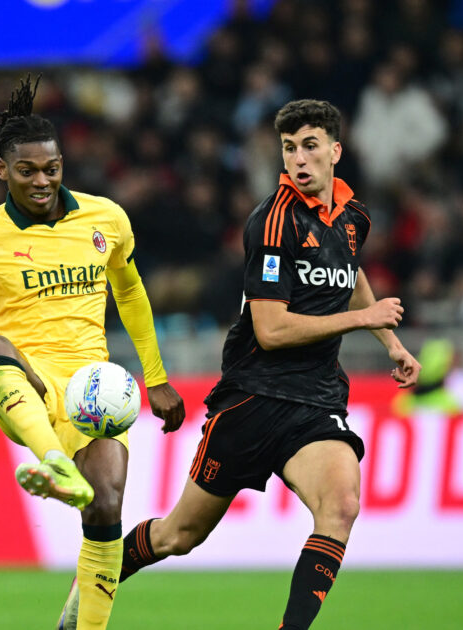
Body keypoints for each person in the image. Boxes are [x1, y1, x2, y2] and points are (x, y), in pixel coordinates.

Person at [109, 100, 422, 629]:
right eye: (288, 148)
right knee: (178, 536)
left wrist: (390, 343)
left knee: (341, 505)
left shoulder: (354, 218)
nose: (298, 158)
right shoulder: (273, 221)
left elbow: (350, 273)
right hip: (253, 397)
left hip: (316, 398)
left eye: (309, 146)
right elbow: (271, 331)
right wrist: (363, 318)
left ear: (335, 151)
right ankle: (97, 572)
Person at [0, 76, 185, 630]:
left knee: (105, 506)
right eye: (27, 170)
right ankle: (53, 463)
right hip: (24, 382)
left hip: (92, 388)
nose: (42, 180)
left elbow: (131, 294)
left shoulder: (105, 219)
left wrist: (157, 377)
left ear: (62, 163)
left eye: (51, 168)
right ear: (3, 171)